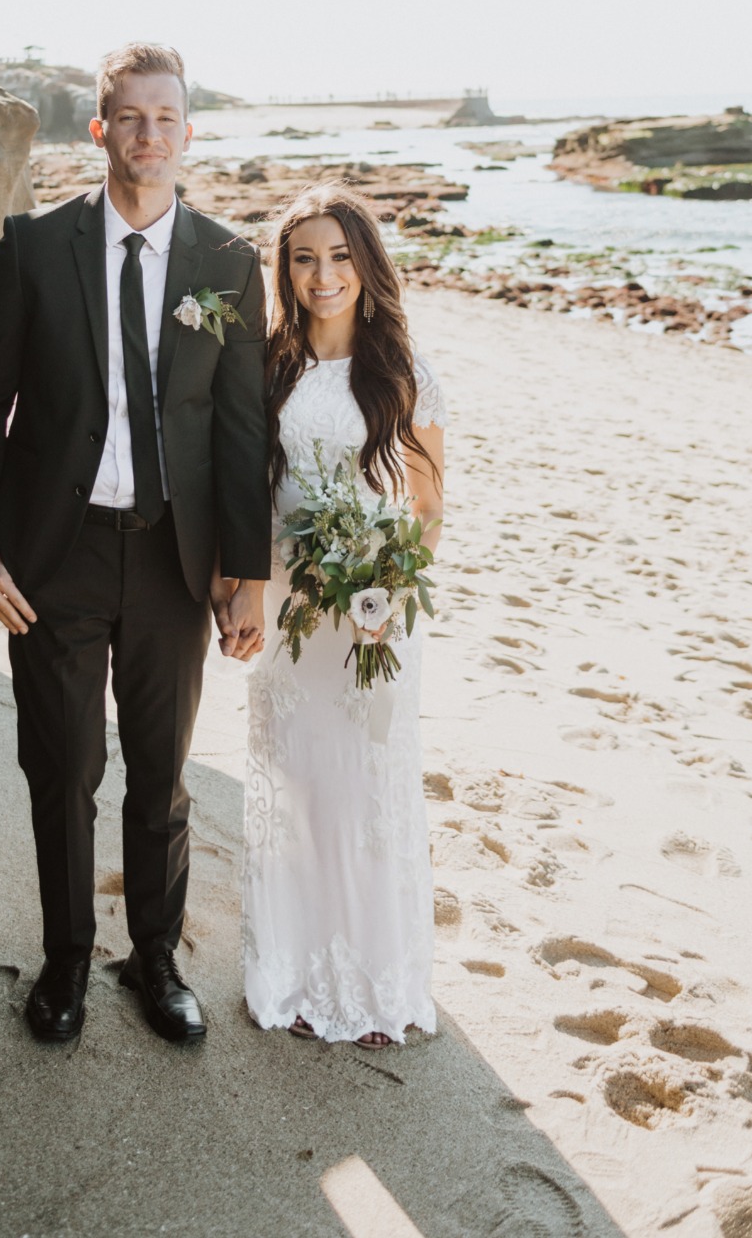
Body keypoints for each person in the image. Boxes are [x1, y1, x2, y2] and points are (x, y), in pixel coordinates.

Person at [0, 44, 269, 1046]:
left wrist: (246, 568)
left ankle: (158, 962)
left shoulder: (226, 263)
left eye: (165, 118)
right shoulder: (34, 251)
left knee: (163, 777)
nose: (148, 135)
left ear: (189, 131)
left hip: (176, 559)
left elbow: (241, 425)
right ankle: (66, 964)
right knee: (65, 769)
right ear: (100, 129)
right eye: (129, 117)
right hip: (56, 555)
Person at [243, 183, 445, 1048]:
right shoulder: (266, 366)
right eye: (303, 257)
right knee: (298, 788)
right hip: (289, 610)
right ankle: (293, 970)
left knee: (364, 791)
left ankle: (370, 982)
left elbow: (430, 509)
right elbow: (247, 490)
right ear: (284, 270)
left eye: (338, 256)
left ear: (365, 265)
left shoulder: (403, 373)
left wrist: (389, 594)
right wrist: (245, 586)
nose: (322, 275)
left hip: (368, 614)